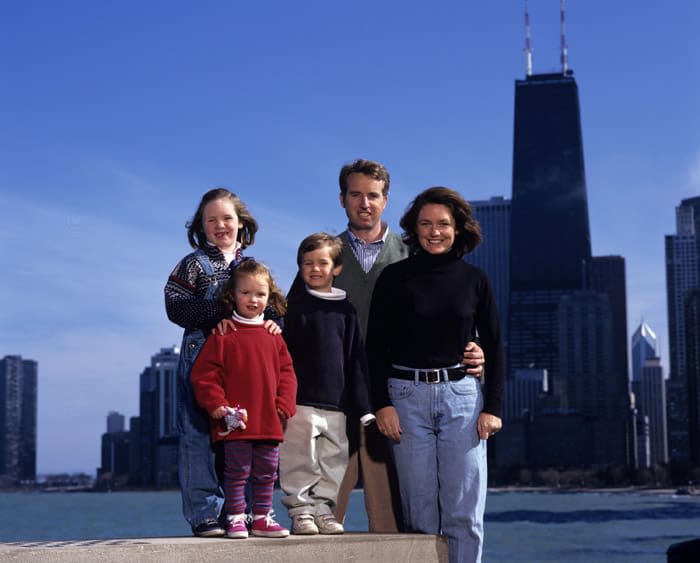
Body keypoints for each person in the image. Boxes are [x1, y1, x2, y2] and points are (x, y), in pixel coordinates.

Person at [289, 159, 485, 533]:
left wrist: (474, 345)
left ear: (386, 200)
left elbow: (449, 309)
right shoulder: (323, 257)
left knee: (394, 517)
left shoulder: (411, 255)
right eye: (356, 195)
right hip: (330, 397)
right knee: (321, 515)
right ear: (342, 199)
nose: (365, 203)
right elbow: (292, 321)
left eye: (373, 196)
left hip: (392, 397)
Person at [367, 187, 505, 563]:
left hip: (462, 398)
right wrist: (382, 404)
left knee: (464, 512)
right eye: (425, 223)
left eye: (443, 224)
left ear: (458, 228)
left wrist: (492, 407)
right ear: (414, 228)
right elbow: (375, 348)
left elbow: (494, 345)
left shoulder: (476, 280)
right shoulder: (394, 278)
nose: (434, 231)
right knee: (420, 511)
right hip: (405, 399)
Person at [164, 188, 277, 537]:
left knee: (241, 438)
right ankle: (204, 514)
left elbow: (272, 303)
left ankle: (239, 513)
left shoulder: (253, 268)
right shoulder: (193, 264)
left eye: (227, 218)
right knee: (197, 436)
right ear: (201, 225)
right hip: (202, 361)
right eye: (211, 220)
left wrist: (276, 321)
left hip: (245, 369)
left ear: (241, 223)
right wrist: (217, 314)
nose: (220, 225)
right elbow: (174, 305)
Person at [190, 259, 297, 539]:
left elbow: (288, 374)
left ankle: (262, 518)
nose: (253, 299)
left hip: (270, 420)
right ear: (232, 296)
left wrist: (285, 405)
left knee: (266, 474)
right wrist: (216, 405)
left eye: (260, 294)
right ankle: (236, 518)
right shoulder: (223, 335)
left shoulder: (274, 336)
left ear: (269, 297)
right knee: (237, 472)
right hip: (235, 422)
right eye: (245, 293)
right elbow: (204, 376)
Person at [280, 233, 374, 535]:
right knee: (299, 459)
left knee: (333, 461)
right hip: (300, 402)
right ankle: (300, 511)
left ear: (337, 268)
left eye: (323, 262)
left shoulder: (346, 311)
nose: (315, 268)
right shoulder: (290, 308)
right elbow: (279, 357)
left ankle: (323, 509)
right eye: (307, 263)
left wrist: (363, 407)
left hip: (338, 404)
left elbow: (355, 358)